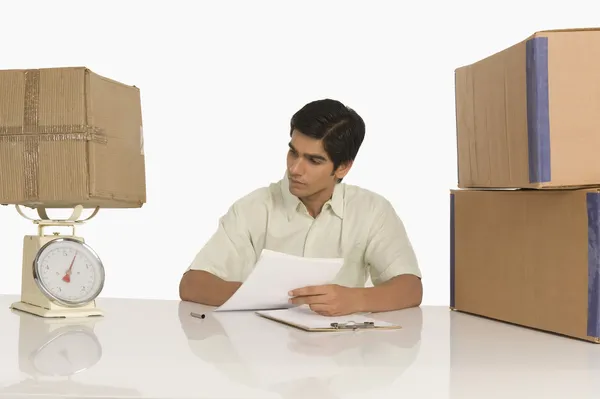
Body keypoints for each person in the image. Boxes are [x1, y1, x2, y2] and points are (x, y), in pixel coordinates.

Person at [179, 99, 422, 316]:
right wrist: (265, 295)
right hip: (261, 350)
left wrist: (354, 299)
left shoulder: (372, 210)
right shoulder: (252, 208)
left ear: (343, 167)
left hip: (344, 353)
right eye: (293, 153)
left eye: (314, 160)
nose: (295, 169)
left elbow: (410, 287)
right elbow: (192, 284)